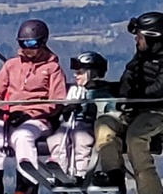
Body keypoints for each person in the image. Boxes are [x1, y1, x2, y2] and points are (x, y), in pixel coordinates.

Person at [93, 10, 163, 194]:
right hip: (135, 110)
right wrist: (108, 88)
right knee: (104, 125)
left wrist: (134, 96)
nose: (136, 41)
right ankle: (113, 174)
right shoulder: (142, 56)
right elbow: (128, 82)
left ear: (153, 37)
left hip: (160, 113)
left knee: (136, 138)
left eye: (140, 37)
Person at [0, 19, 68, 194]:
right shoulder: (11, 66)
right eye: (22, 43)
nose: (26, 49)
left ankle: (26, 193)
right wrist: (1, 111)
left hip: (38, 119)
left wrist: (30, 113)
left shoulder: (52, 68)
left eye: (31, 44)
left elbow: (56, 101)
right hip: (9, 116)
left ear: (42, 42)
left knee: (22, 137)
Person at [48, 51, 116, 185]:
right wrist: (67, 109)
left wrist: (92, 108)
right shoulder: (74, 91)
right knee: (57, 138)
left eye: (80, 73)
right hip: (71, 124)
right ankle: (60, 169)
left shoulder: (104, 93)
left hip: (90, 126)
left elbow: (111, 112)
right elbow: (64, 110)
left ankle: (81, 174)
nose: (75, 76)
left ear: (92, 73)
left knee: (81, 139)